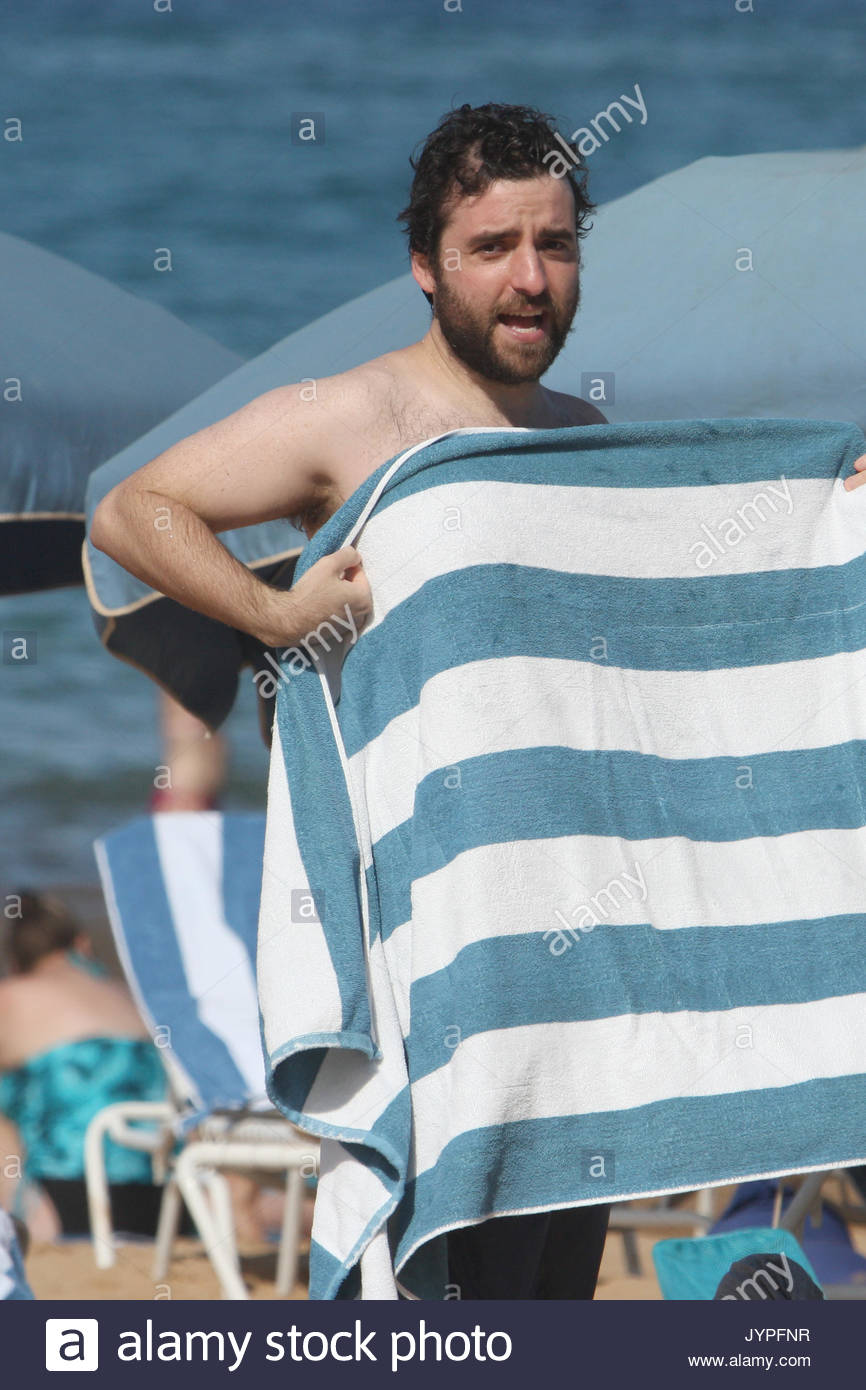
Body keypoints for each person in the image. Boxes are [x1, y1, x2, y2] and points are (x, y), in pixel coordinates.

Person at [90, 102, 866, 1297]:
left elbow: (675, 649)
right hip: (430, 957)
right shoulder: (350, 420)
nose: (529, 278)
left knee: (549, 1307)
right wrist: (275, 617)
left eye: (554, 246)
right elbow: (136, 510)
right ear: (423, 265)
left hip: (571, 984)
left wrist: (830, 513)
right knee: (425, 1307)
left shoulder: (578, 436)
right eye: (492, 247)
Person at [0, 891, 167, 1239]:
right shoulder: (132, 997)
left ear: (17, 960)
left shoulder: (12, 997)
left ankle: (25, 1217)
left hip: (62, 1199)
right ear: (83, 943)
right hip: (162, 1202)